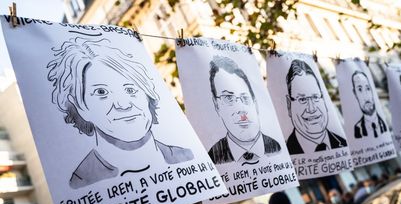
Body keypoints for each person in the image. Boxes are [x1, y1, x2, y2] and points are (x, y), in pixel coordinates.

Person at [47, 37, 194, 189]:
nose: (123, 105)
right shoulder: (80, 183)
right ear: (80, 106)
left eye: (130, 89)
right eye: (101, 92)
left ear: (147, 93)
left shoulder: (187, 157)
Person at [208, 55, 281, 165]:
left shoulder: (277, 147)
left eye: (245, 98)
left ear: (255, 103)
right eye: (228, 98)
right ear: (216, 105)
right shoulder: (212, 157)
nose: (241, 109)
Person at [285, 59, 347, 154]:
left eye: (315, 97)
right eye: (302, 99)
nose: (311, 108)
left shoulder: (343, 143)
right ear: (289, 105)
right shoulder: (285, 154)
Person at [351, 71, 387, 138]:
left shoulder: (385, 122)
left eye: (368, 88)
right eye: (360, 89)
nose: (366, 96)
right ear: (355, 93)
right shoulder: (357, 129)